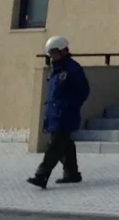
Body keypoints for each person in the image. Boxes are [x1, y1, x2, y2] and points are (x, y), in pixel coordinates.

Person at [28, 36, 89, 188]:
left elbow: (83, 91)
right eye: (51, 53)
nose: (53, 56)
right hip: (55, 114)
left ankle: (41, 175)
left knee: (54, 147)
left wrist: (72, 106)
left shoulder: (73, 69)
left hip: (65, 114)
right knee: (65, 145)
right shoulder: (56, 69)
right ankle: (72, 173)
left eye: (54, 52)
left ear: (62, 51)